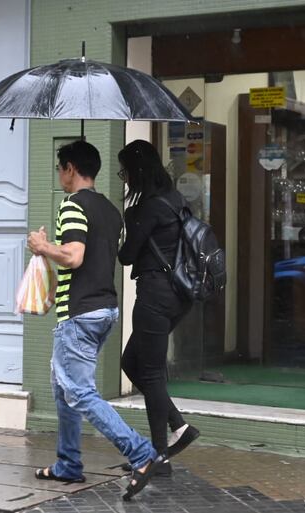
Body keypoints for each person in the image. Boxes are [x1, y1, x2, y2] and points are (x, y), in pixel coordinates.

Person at [27, 140, 164, 501]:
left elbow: (73, 256)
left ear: (70, 168)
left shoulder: (72, 204)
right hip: (105, 309)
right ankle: (68, 464)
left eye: (60, 168)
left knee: (80, 391)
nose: (59, 176)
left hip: (80, 312)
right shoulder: (110, 209)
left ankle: (141, 452)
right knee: (64, 389)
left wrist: (42, 247)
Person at [116, 139, 200, 475]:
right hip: (180, 295)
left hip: (155, 295)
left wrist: (127, 222)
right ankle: (180, 428)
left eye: (124, 170)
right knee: (132, 362)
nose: (122, 177)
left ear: (137, 171)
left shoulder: (147, 208)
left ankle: (157, 458)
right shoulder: (177, 200)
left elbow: (126, 256)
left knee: (148, 371)